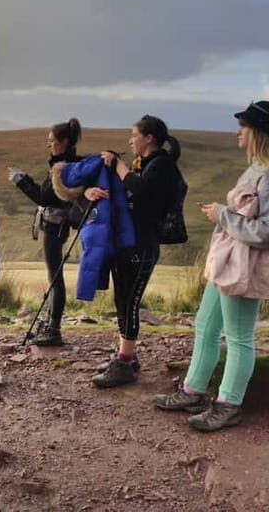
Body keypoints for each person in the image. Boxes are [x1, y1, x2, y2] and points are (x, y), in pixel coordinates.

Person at [153, 101, 269, 431]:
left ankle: (228, 405)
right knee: (205, 326)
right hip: (229, 261)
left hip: (245, 266)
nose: (238, 132)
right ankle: (193, 391)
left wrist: (222, 214)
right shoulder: (258, 169)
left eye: (244, 127)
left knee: (238, 337)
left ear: (260, 133)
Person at [90, 115, 182, 388]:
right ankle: (126, 356)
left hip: (143, 244)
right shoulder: (145, 164)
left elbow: (140, 190)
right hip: (129, 242)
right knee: (122, 299)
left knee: (129, 301)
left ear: (149, 138)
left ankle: (125, 363)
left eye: (134, 135)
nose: (130, 141)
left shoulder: (162, 165)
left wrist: (119, 165)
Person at [8, 118, 82, 346]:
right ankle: (50, 323)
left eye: (51, 140)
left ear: (64, 142)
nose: (49, 144)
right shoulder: (69, 164)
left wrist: (21, 181)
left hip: (55, 226)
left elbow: (43, 197)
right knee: (54, 275)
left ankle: (53, 328)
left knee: (55, 277)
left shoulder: (62, 167)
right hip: (58, 225)